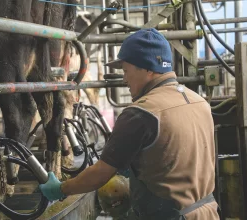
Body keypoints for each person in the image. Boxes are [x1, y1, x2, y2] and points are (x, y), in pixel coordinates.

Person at [39, 28, 219, 220]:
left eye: (126, 71)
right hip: (208, 212)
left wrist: (61, 188)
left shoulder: (141, 112)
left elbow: (100, 174)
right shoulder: (199, 102)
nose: (124, 79)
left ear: (148, 68)